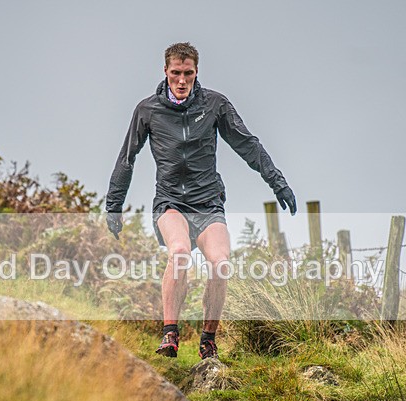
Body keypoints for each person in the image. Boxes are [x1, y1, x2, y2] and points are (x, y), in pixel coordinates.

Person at [106, 42, 297, 360]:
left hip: (208, 203)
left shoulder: (215, 105)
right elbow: (127, 158)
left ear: (197, 73)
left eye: (188, 74)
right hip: (170, 202)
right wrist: (114, 204)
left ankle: (208, 339)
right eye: (176, 73)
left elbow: (248, 145)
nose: (182, 81)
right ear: (165, 72)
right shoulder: (147, 110)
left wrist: (278, 183)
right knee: (179, 252)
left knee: (221, 264)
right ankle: (170, 334)